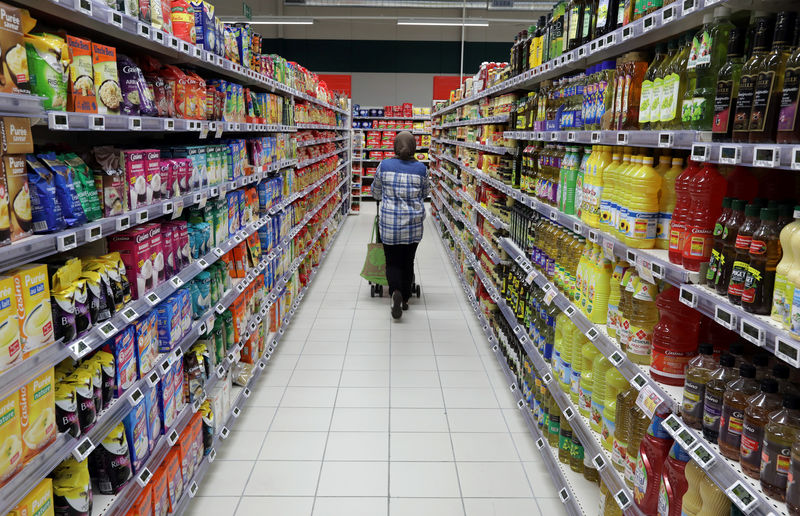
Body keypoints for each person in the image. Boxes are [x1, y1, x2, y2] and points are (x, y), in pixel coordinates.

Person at [372, 131, 429, 320]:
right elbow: (424, 193)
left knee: (392, 261)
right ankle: (404, 298)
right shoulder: (421, 168)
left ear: (395, 146)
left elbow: (376, 192)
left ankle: (395, 291)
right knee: (408, 261)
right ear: (414, 147)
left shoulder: (384, 165)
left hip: (389, 225)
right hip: (413, 226)